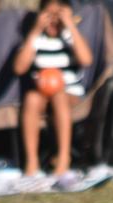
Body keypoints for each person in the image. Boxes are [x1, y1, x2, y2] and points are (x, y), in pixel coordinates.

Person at [13, 0, 93, 176]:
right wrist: (35, 30)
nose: (54, 20)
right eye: (50, 15)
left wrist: (70, 25)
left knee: (59, 95)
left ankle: (64, 157)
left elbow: (86, 60)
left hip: (68, 92)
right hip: (41, 92)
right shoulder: (36, 39)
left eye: (59, 15)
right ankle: (32, 161)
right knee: (31, 98)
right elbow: (19, 68)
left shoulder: (70, 37)